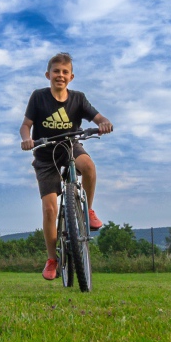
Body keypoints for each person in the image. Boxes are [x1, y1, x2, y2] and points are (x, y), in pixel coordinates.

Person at [19, 52, 113, 281]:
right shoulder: (38, 97)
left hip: (69, 146)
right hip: (44, 153)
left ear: (71, 76)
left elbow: (97, 117)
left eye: (64, 72)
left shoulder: (78, 99)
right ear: (48, 75)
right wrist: (26, 139)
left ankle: (87, 211)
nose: (60, 75)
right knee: (50, 208)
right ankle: (52, 259)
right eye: (56, 72)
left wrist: (104, 123)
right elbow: (26, 125)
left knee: (88, 167)